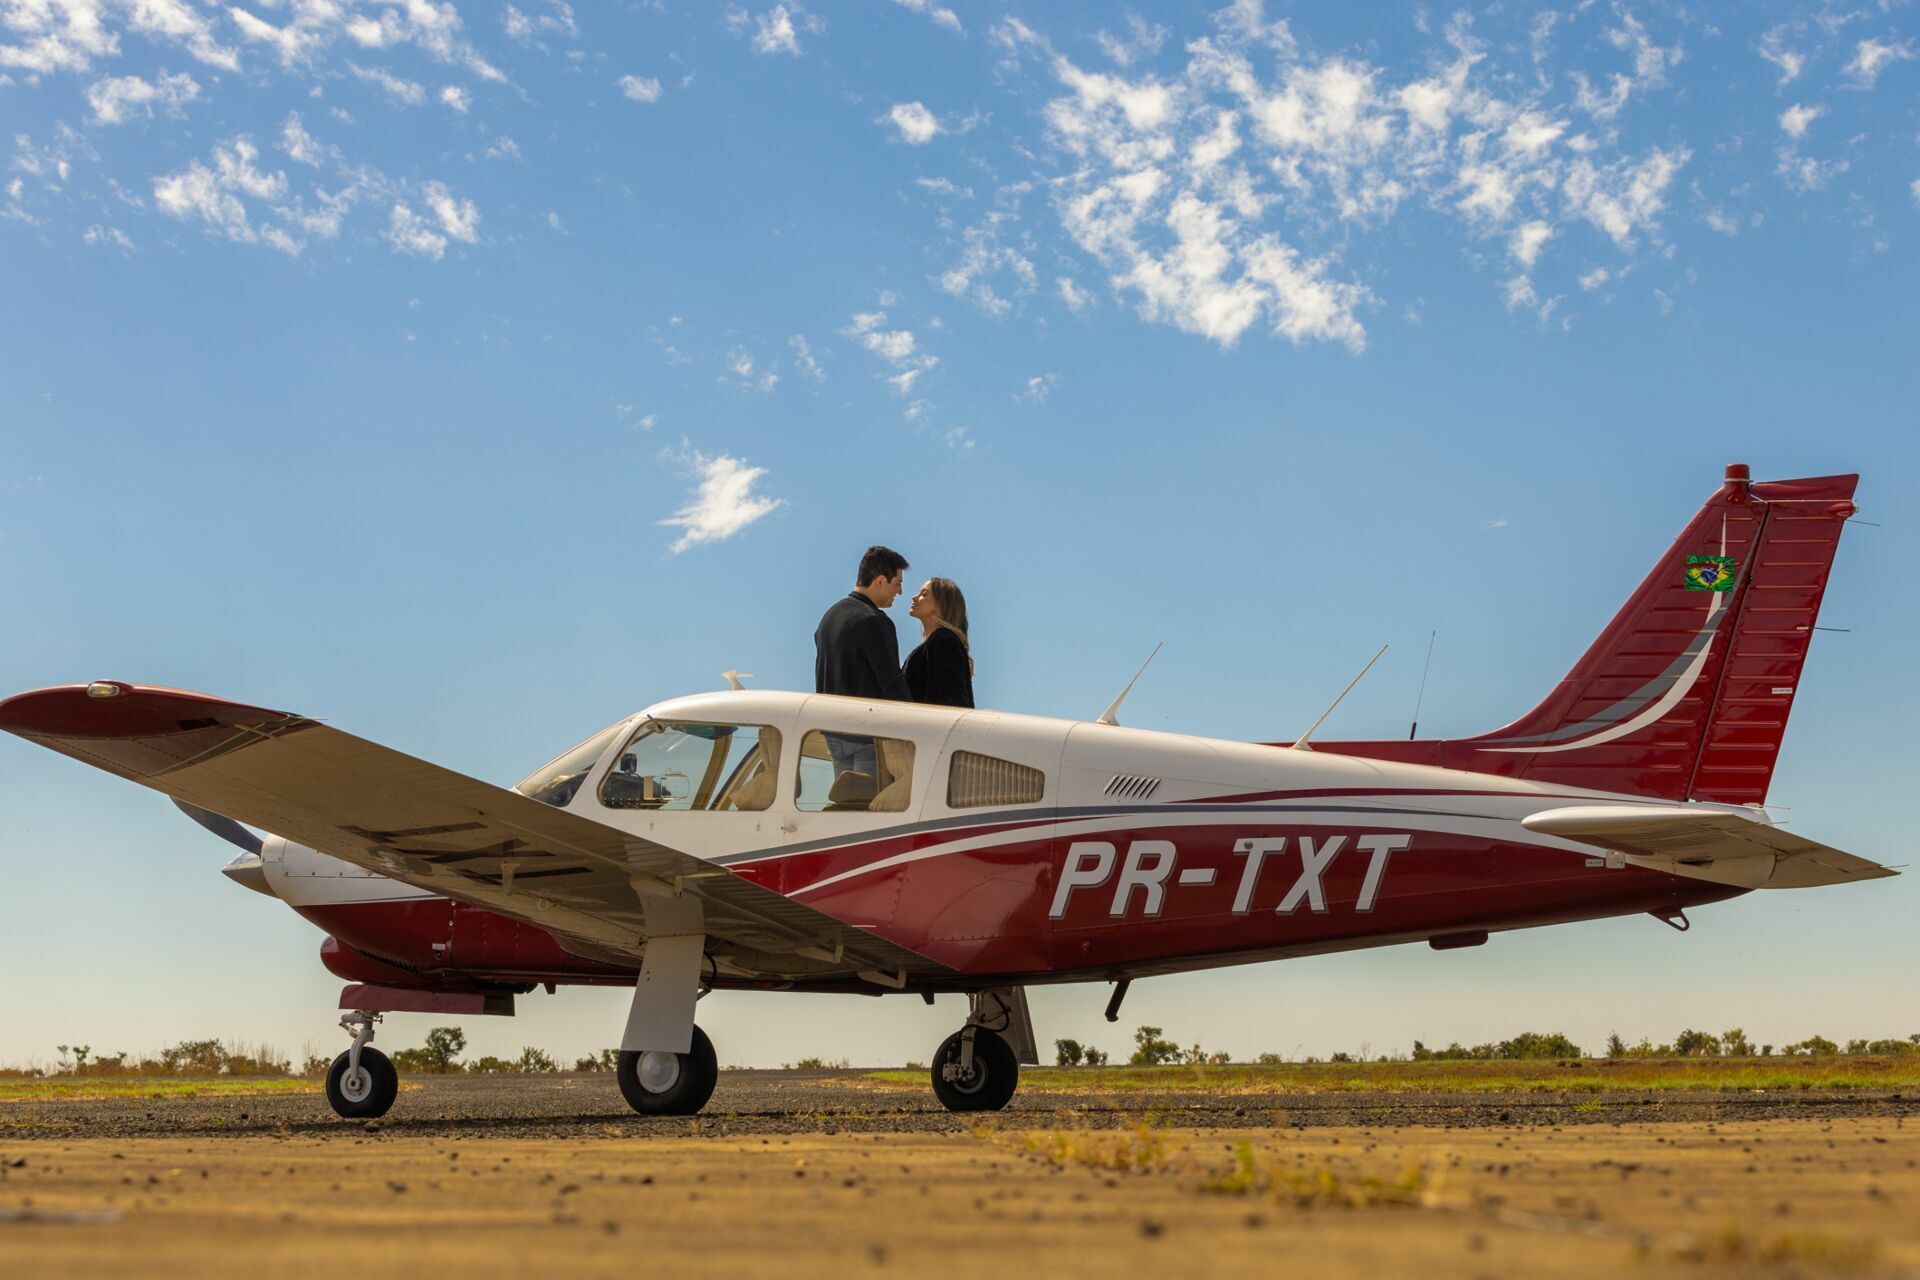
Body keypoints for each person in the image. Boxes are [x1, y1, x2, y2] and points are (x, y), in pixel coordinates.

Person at [814, 546, 912, 701]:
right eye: (898, 583)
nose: (900, 591)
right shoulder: (875, 621)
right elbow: (894, 688)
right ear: (880, 581)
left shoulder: (827, 620)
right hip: (865, 723)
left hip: (828, 723)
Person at [904, 577, 975, 709]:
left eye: (924, 594)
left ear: (941, 605)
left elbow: (955, 700)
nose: (914, 597)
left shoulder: (945, 641)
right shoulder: (934, 643)